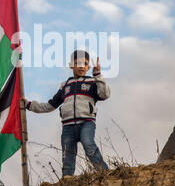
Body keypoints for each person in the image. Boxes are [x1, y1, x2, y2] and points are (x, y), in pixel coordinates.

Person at [22, 50, 110, 178]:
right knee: (67, 153)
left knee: (88, 144)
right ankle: (67, 179)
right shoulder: (65, 86)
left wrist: (98, 75)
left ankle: (104, 172)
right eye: (77, 63)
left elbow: (104, 94)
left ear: (88, 67)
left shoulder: (92, 82)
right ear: (71, 65)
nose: (81, 66)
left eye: (84, 63)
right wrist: (29, 105)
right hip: (68, 126)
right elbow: (50, 105)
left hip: (86, 122)